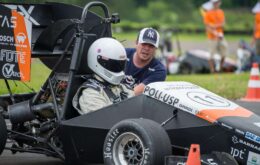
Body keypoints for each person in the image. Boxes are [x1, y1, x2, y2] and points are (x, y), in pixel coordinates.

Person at [73, 38, 134, 115]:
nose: (117, 68)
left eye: (120, 64)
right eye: (113, 65)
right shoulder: (90, 93)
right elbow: (105, 121)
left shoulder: (122, 87)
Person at [123, 27, 167, 95]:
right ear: (136, 43)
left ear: (156, 48)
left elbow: (133, 94)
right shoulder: (122, 54)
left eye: (151, 46)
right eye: (144, 44)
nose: (146, 48)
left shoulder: (159, 70)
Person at [203, 0, 228, 73]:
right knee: (211, 54)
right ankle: (212, 70)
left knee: (224, 52)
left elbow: (223, 23)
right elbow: (207, 26)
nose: (216, 4)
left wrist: (214, 26)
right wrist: (214, 31)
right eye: (215, 3)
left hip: (221, 36)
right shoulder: (208, 13)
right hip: (212, 37)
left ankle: (220, 68)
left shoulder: (221, 12)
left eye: (217, 2)